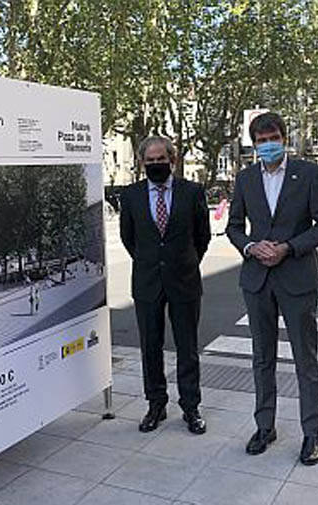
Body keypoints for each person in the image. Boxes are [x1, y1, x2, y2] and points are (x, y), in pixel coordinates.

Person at [226, 112, 318, 466]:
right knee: (262, 358)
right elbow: (233, 226)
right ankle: (265, 426)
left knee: (305, 359)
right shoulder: (244, 179)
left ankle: (311, 434)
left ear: (283, 138)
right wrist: (250, 247)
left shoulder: (309, 174)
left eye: (271, 137)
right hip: (257, 279)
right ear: (253, 144)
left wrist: (288, 247)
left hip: (297, 276)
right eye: (259, 140)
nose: (266, 145)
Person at [119, 135, 211, 434]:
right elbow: (128, 238)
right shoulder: (130, 195)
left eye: (161, 159)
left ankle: (191, 407)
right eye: (150, 160)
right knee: (150, 346)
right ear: (142, 162)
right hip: (147, 281)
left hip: (184, 279)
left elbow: (203, 237)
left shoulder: (192, 192)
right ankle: (155, 404)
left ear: (173, 160)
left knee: (187, 347)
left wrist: (184, 261)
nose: (156, 164)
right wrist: (150, 261)